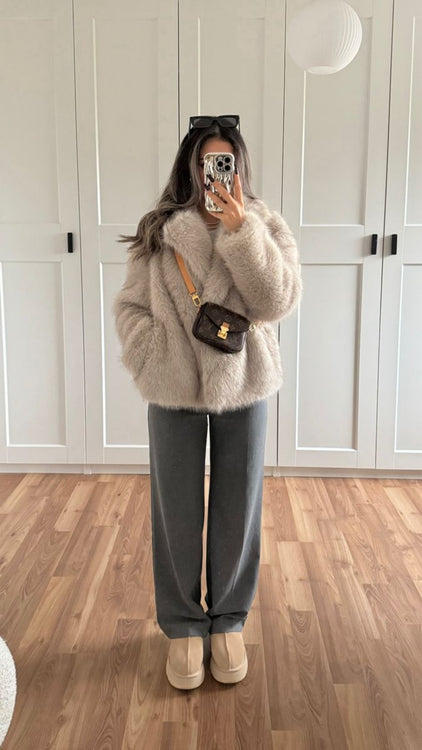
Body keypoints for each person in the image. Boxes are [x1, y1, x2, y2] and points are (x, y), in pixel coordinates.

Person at [113, 114, 302, 690]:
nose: (214, 173)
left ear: (239, 168)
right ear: (190, 167)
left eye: (226, 163)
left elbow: (278, 301)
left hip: (245, 384)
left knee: (239, 506)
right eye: (206, 162)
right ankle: (182, 625)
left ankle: (229, 619)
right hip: (173, 387)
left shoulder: (265, 225)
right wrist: (152, 355)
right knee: (174, 509)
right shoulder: (159, 230)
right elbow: (131, 306)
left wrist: (241, 232)